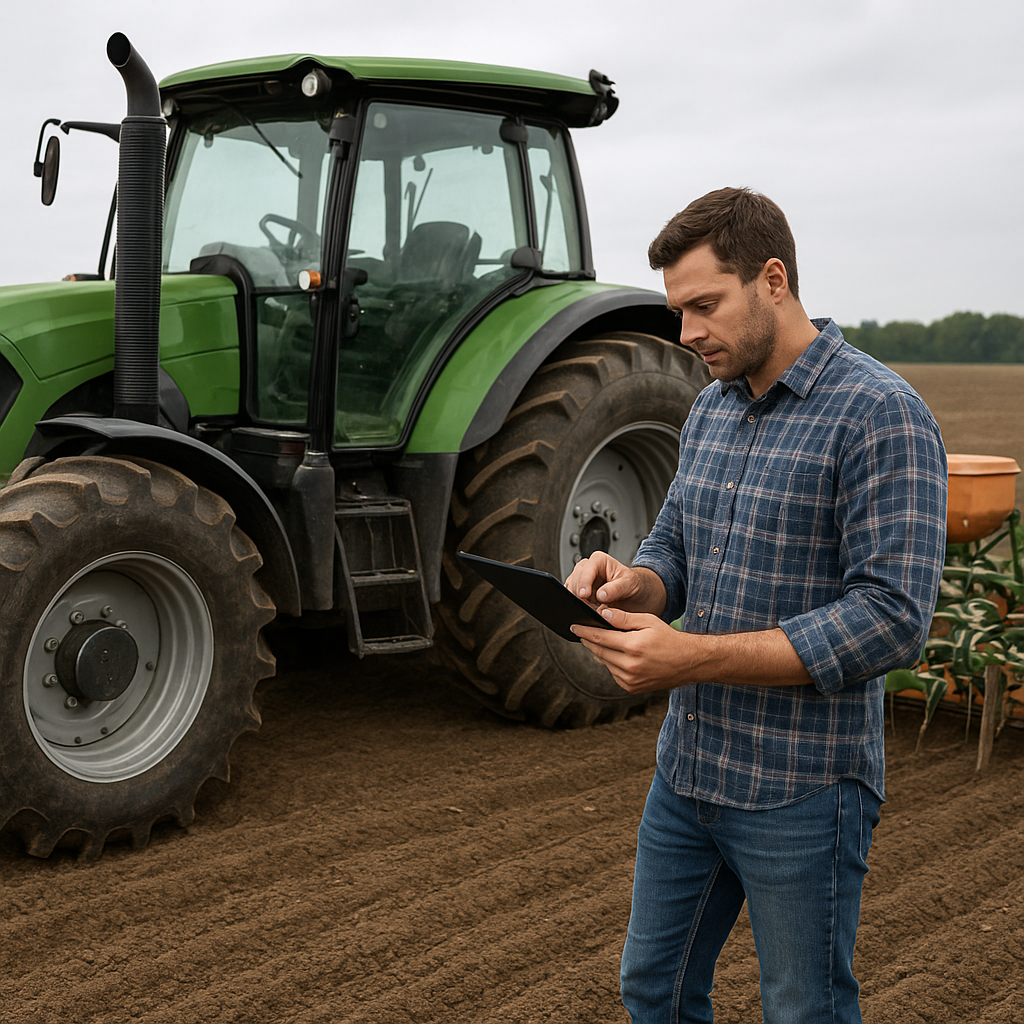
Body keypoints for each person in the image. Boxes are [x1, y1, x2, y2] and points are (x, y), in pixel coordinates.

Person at [566, 186, 947, 1024]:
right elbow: (674, 547)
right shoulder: (709, 408)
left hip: (803, 788)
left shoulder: (881, 415)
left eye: (704, 305)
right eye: (678, 310)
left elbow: (892, 617)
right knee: (652, 992)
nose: (687, 332)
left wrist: (692, 656)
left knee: (802, 1010)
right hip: (690, 771)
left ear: (773, 279)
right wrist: (634, 582)